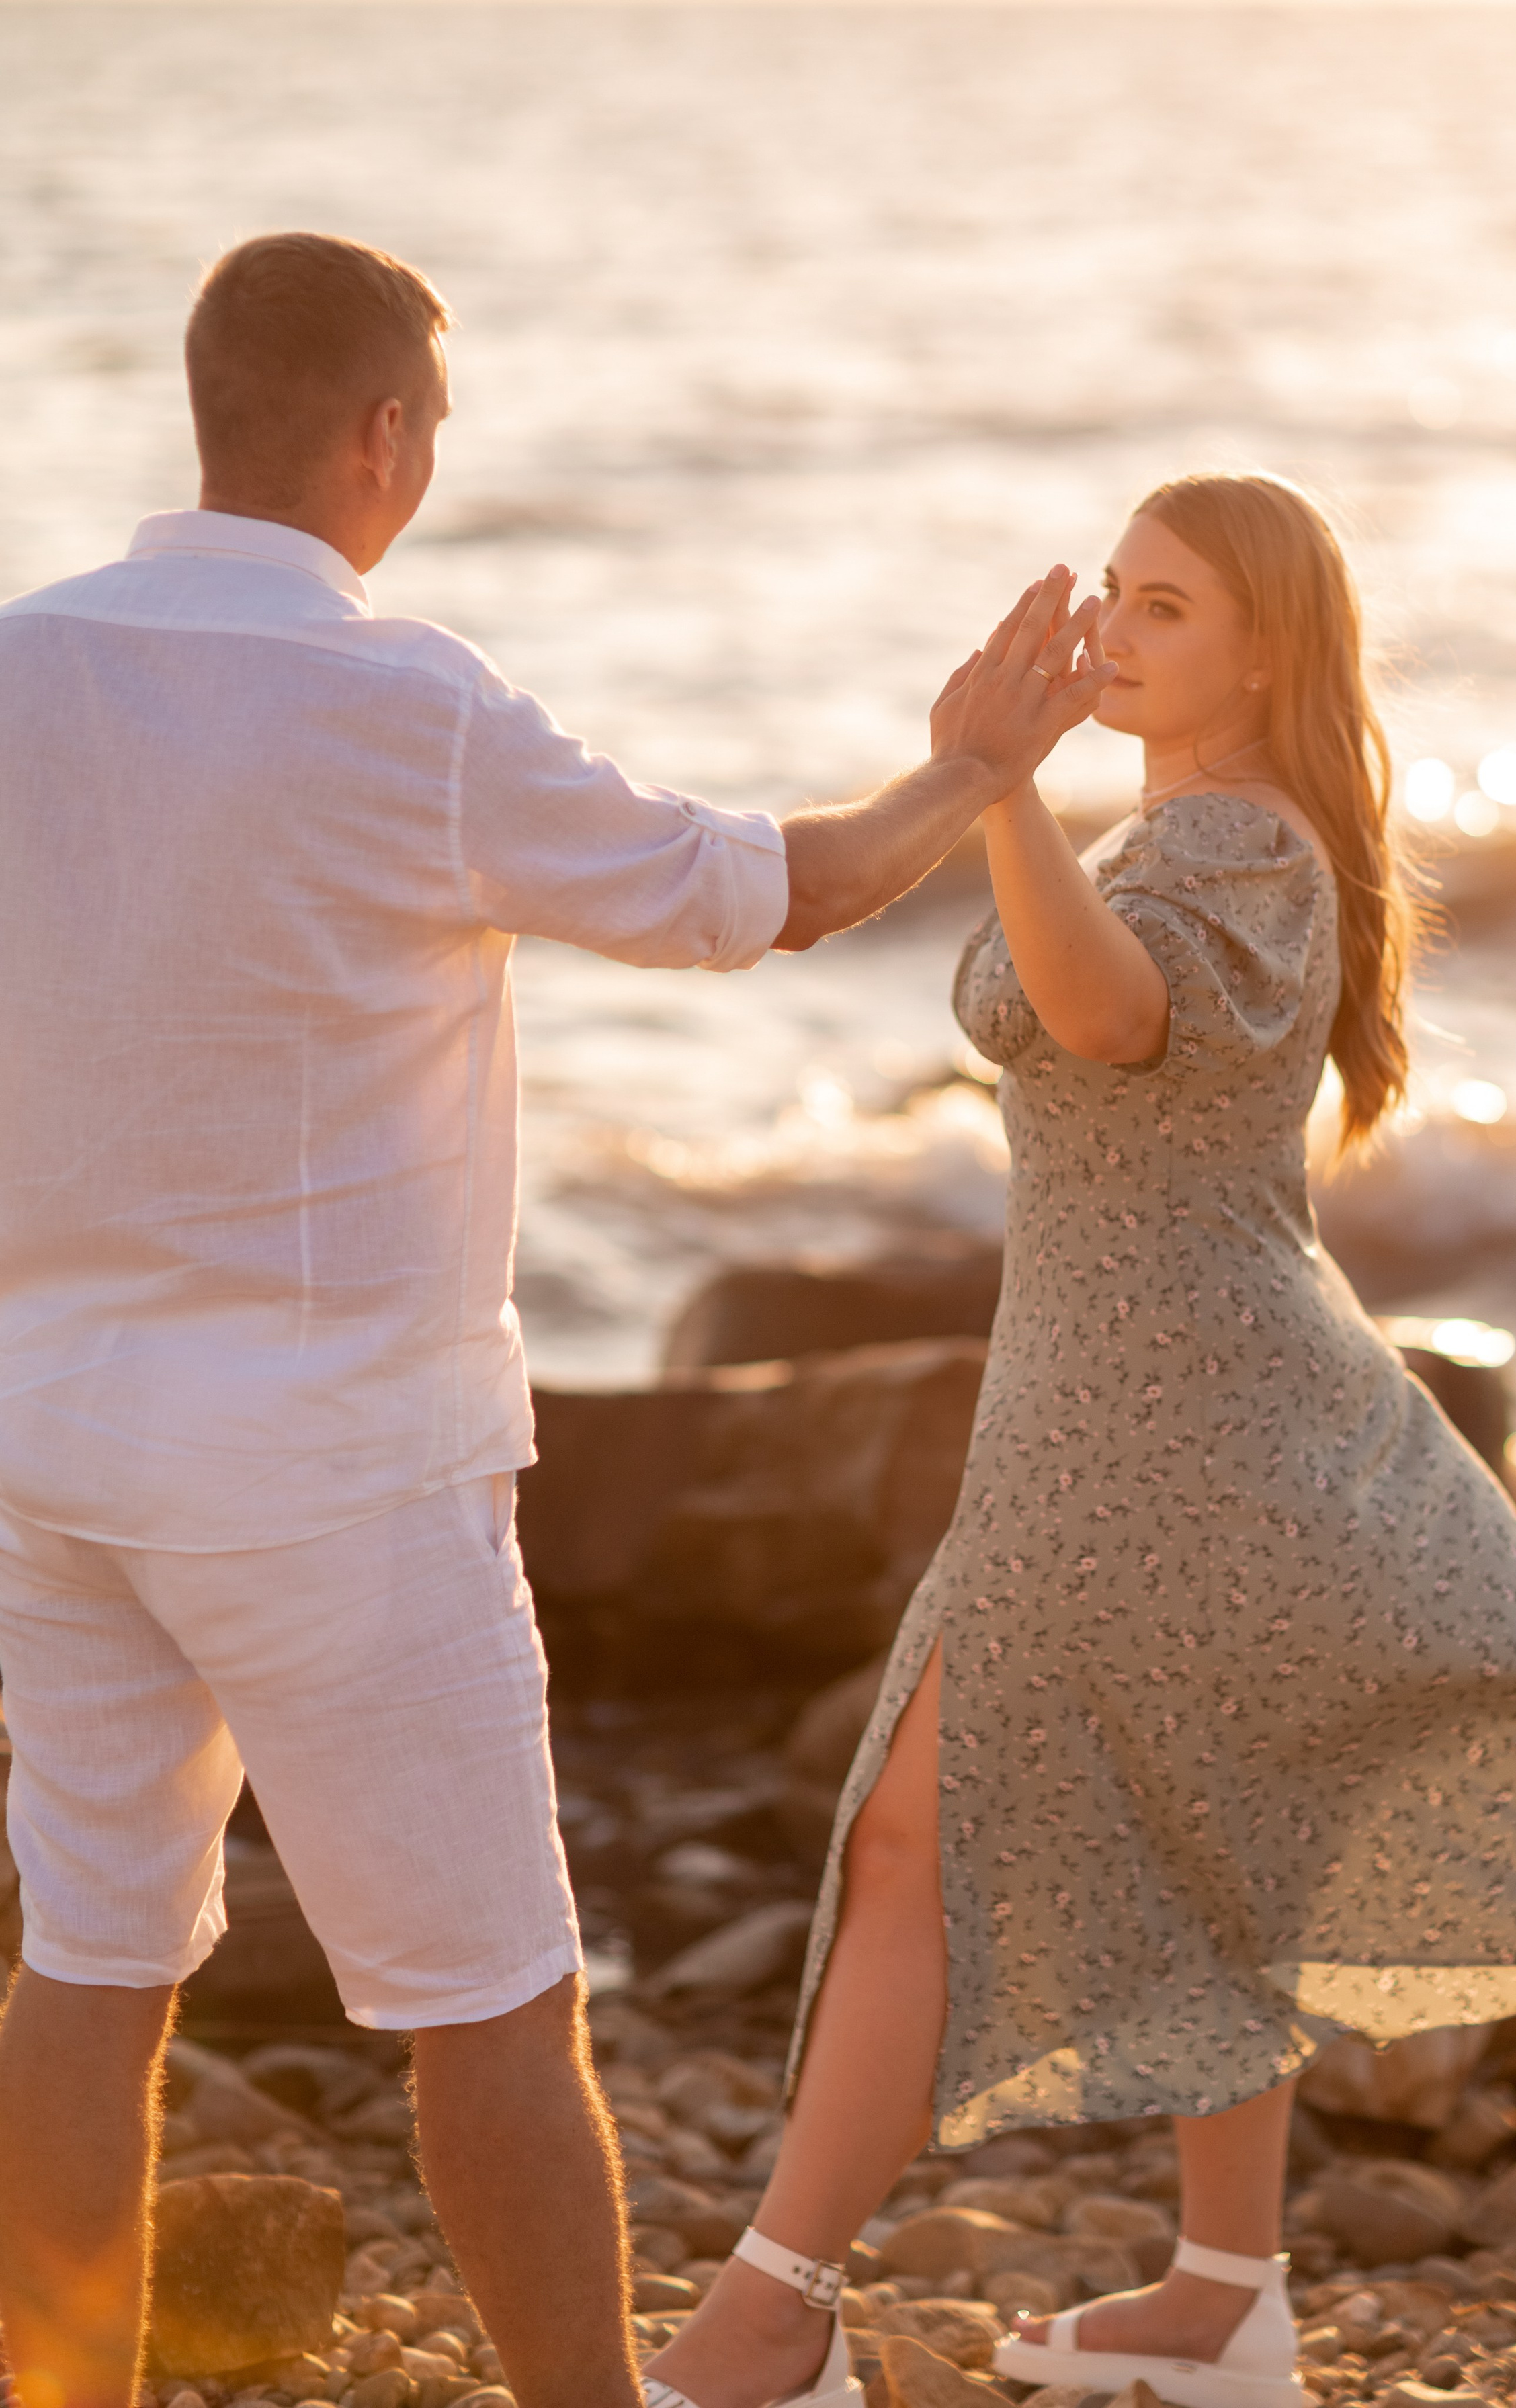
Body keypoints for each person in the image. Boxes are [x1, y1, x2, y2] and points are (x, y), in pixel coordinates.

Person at [0, 230, 1115, 2408]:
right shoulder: (404, 703)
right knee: (492, 2003)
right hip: (334, 1470)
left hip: (52, 1434)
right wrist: (976, 772)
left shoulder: (19, 669)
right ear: (386, 435)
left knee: (92, 1960)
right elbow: (761, 896)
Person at [639, 471, 1516, 2408]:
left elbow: (1110, 1022)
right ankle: (1224, 2298)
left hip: (1166, 1410)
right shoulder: (1187, 823)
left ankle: (775, 2313)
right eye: (1113, 593)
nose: (1117, 632)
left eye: (1169, 606)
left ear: (1269, 650)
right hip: (1126, 1393)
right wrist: (1013, 794)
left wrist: (996, 784)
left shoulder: (1233, 838)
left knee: (908, 1838)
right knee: (1206, 1824)